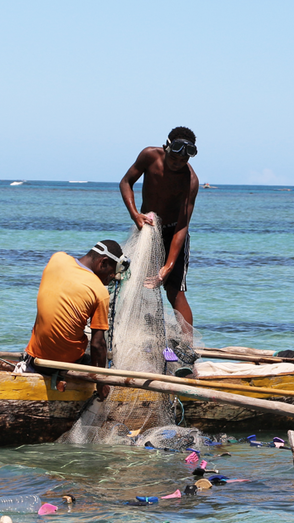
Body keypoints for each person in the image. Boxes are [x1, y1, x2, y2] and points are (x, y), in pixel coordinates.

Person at [20, 240, 129, 398]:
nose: (113, 277)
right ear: (103, 262)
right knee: (100, 361)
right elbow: (98, 344)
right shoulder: (99, 292)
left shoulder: (57, 259)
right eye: (113, 271)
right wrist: (101, 382)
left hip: (37, 357)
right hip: (66, 363)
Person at [119, 126, 199, 328]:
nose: (177, 164)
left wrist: (168, 266)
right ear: (166, 147)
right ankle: (134, 330)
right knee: (136, 283)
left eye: (183, 161)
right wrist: (135, 214)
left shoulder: (190, 181)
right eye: (174, 158)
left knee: (174, 290)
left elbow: (182, 226)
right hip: (146, 230)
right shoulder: (149, 156)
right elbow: (126, 182)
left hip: (173, 232)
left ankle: (187, 346)